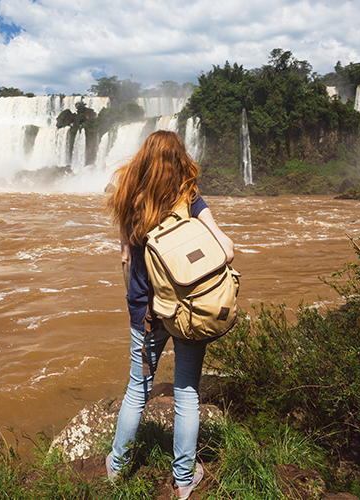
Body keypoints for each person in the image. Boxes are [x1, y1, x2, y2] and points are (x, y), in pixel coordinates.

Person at [105, 130, 234, 499]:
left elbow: (126, 260)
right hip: (187, 310)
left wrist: (136, 301)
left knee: (137, 389)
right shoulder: (190, 198)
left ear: (143, 159)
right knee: (187, 391)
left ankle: (117, 466)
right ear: (180, 160)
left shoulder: (130, 201)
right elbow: (226, 250)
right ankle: (182, 479)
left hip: (145, 312)